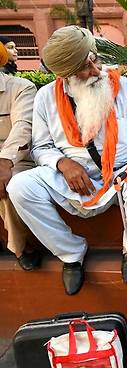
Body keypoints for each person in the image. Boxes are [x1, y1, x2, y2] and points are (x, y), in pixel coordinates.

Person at [7, 26, 127, 295]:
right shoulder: (46, 98)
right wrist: (63, 164)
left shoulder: (123, 88)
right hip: (73, 178)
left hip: (120, 174)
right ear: (65, 75)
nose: (95, 71)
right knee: (19, 187)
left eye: (95, 59)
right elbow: (42, 147)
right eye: (84, 67)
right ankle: (71, 253)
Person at [0, 42, 41, 270]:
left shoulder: (21, 88)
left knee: (10, 183)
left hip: (17, 158)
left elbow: (22, 127)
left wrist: (4, 161)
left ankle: (20, 247)